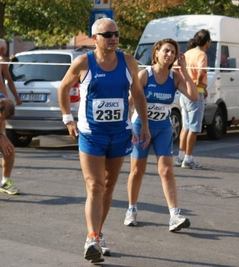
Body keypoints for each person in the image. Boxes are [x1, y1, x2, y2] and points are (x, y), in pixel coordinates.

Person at [58, 18, 150, 263]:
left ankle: (98, 234)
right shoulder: (83, 62)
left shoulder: (128, 61)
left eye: (116, 34)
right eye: (108, 34)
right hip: (91, 134)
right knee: (95, 185)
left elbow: (138, 95)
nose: (114, 38)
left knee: (108, 186)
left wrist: (145, 126)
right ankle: (91, 238)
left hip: (120, 133)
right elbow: (64, 88)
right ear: (95, 38)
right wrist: (68, 119)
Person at [124, 38, 198, 232]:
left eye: (173, 52)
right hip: (141, 127)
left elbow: (194, 96)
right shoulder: (145, 75)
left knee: (167, 171)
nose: (169, 55)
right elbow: (130, 102)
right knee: (137, 171)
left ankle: (174, 214)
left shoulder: (175, 77)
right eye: (166, 51)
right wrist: (129, 125)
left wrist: (185, 70)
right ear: (156, 52)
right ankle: (131, 209)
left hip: (163, 128)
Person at [175, 29, 211, 169]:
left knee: (185, 126)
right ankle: (188, 159)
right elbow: (201, 70)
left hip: (184, 92)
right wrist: (198, 84)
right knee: (194, 128)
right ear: (207, 42)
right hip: (196, 93)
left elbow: (177, 69)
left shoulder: (188, 53)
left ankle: (181, 156)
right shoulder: (202, 54)